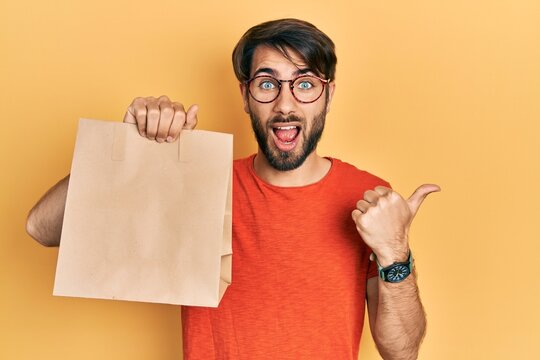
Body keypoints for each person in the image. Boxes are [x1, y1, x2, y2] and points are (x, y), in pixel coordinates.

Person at [26, 18, 439, 360]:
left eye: (305, 83)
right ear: (245, 95)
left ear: (328, 95)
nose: (285, 104)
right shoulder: (197, 183)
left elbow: (401, 352)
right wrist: (132, 150)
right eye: (266, 83)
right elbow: (41, 228)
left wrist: (395, 252)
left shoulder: (369, 197)